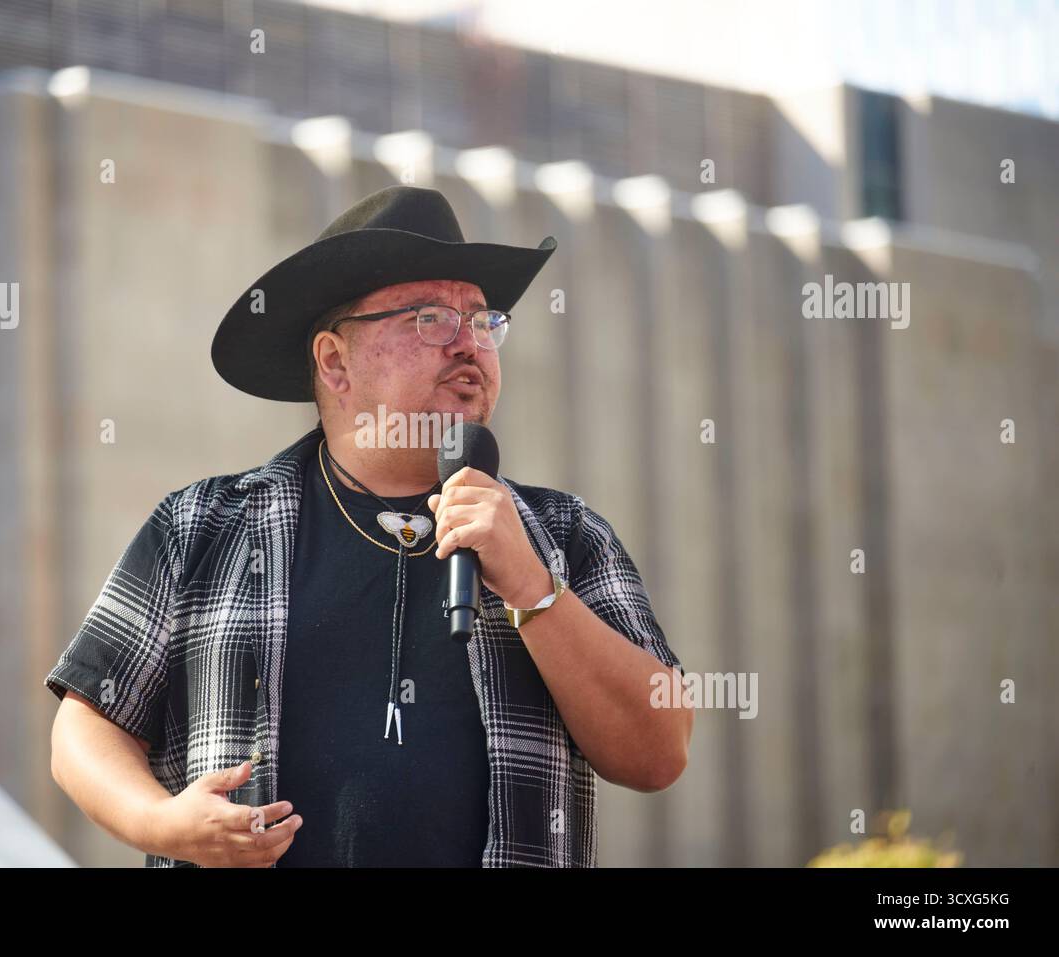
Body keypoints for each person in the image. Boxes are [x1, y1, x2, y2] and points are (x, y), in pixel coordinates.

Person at [45, 185, 692, 867]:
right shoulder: (200, 526)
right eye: (433, 318)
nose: (470, 343)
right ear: (334, 360)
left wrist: (535, 588)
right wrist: (163, 823)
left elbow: (660, 749)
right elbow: (83, 728)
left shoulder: (567, 534)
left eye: (483, 320)